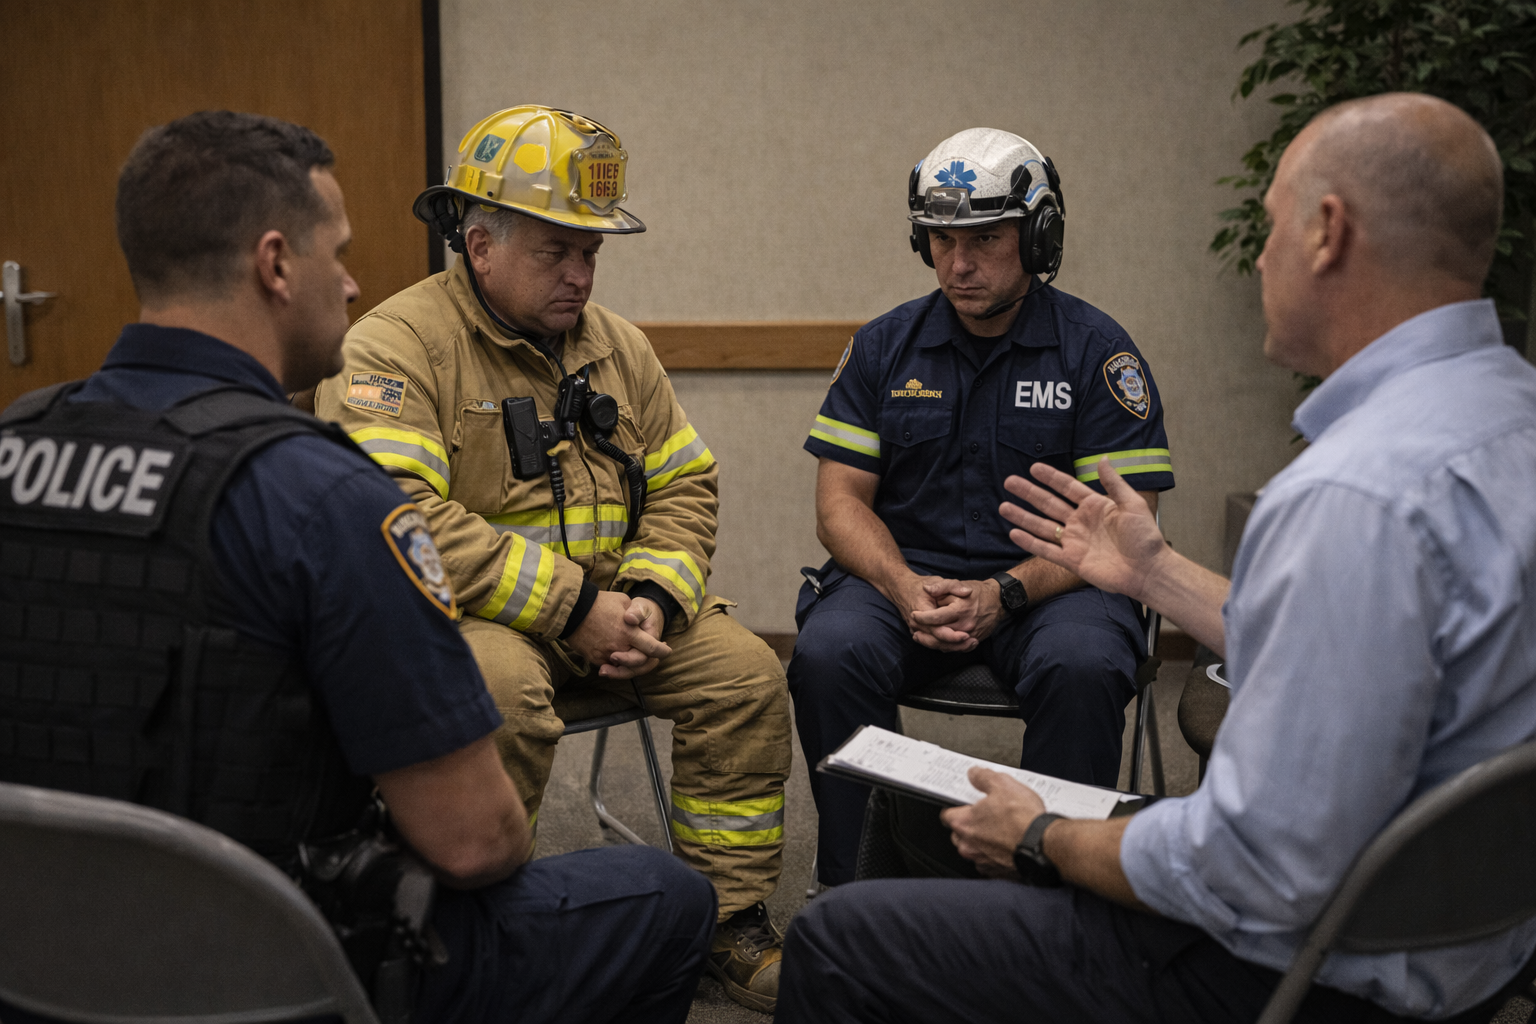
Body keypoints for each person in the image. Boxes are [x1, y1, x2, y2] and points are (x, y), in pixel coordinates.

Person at [775, 94, 1536, 1023]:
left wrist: (1045, 838)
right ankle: (866, 871)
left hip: (1299, 968)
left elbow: (1245, 867)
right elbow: (1342, 644)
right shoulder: (1510, 422)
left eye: (1266, 230)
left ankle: (1026, 932)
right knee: (830, 650)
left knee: (836, 943)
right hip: (1471, 948)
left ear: (1327, 234)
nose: (1256, 259)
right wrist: (1152, 575)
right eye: (939, 238)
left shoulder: (1348, 493)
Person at [0, 110, 716, 1024]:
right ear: (274, 265)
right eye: (335, 254)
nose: (351, 282)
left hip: (32, 959)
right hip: (271, 973)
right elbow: (474, 844)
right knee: (665, 897)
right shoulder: (325, 499)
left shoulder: (17, 441)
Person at [312, 104, 791, 1012]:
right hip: (474, 620)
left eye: (592, 253)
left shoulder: (620, 347)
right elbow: (399, 519)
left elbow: (687, 483)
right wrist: (576, 608)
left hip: (617, 614)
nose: (582, 274)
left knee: (746, 676)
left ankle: (729, 923)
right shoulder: (394, 347)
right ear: (477, 242)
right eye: (556, 251)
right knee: (495, 698)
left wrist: (649, 596)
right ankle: (480, 927)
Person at [788, 127, 1176, 887]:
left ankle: (1055, 896)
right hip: (909, 581)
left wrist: (1007, 592)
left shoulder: (1098, 353)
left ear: (1038, 237)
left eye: (985, 240)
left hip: (1052, 586)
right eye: (939, 241)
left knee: (1085, 663)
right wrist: (901, 586)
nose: (958, 265)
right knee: (828, 654)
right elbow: (839, 502)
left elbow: (1132, 525)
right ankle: (858, 889)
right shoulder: (882, 347)